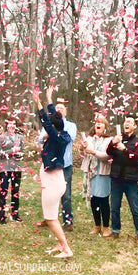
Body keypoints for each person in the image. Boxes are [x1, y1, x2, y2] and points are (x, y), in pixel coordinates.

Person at [33, 86, 73, 258]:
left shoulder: (56, 137)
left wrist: (38, 102)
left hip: (53, 184)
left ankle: (66, 248)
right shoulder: (62, 133)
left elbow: (46, 121)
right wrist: (49, 98)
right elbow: (54, 119)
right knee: (53, 216)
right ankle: (60, 244)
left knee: (50, 219)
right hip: (56, 181)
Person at [38, 91, 77, 231]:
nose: (58, 109)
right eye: (57, 108)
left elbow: (60, 132)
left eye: (61, 108)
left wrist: (51, 133)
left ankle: (68, 221)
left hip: (65, 164)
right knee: (48, 192)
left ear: (65, 112)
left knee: (65, 194)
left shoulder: (70, 127)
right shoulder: (54, 125)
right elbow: (41, 137)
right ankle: (49, 217)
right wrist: (48, 98)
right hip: (49, 165)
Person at [106, 116, 138, 243]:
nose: (127, 124)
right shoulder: (118, 138)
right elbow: (109, 152)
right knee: (115, 207)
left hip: (130, 180)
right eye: (125, 122)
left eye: (130, 122)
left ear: (135, 126)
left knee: (135, 207)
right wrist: (113, 143)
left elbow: (136, 159)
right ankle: (115, 231)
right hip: (116, 178)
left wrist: (125, 150)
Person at [80, 114, 112, 237]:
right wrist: (82, 148)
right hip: (91, 173)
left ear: (105, 126)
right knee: (94, 199)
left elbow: (107, 156)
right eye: (97, 122)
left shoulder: (109, 140)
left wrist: (93, 151)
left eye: (101, 122)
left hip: (102, 172)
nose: (98, 124)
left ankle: (106, 227)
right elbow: (82, 154)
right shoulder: (89, 139)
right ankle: (96, 225)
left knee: (103, 199)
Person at [0, 117, 25, 224]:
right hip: (5, 168)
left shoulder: (20, 137)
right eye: (9, 123)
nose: (11, 126)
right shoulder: (1, 137)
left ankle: (15, 213)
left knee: (15, 191)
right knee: (4, 191)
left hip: (17, 167)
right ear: (6, 125)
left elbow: (23, 150)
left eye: (14, 124)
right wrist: (10, 151)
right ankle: (1, 215)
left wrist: (20, 154)